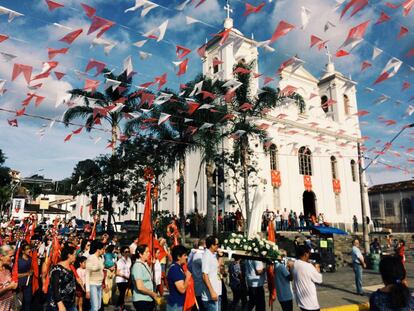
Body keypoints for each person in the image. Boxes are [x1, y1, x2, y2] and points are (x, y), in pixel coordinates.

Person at [292, 245, 322, 311]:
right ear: (305, 254)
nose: (310, 255)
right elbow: (319, 280)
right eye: (309, 253)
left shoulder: (295, 264)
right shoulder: (309, 266)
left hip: (301, 301)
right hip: (311, 304)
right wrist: (317, 268)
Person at [48, 246, 77, 311]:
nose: (76, 256)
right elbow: (55, 287)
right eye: (74, 254)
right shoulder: (57, 269)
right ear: (69, 255)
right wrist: (60, 304)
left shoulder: (70, 267)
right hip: (59, 305)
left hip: (70, 303)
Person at [131, 244, 159, 311]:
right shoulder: (138, 266)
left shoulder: (144, 264)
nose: (149, 254)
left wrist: (152, 265)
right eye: (147, 252)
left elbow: (148, 276)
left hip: (148, 299)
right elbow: (139, 287)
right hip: (142, 300)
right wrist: (152, 293)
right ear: (140, 254)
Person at [166, 245, 192, 311]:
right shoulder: (175, 269)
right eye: (185, 255)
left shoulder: (179, 267)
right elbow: (182, 289)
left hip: (179, 304)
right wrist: (188, 277)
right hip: (176, 305)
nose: (186, 257)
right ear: (178, 257)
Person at [201, 236, 221, 311]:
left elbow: (216, 270)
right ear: (212, 245)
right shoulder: (207, 256)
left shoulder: (213, 255)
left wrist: (220, 257)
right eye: (217, 244)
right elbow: (204, 275)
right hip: (210, 295)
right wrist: (212, 292)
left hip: (216, 292)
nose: (218, 246)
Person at [85, 240, 105, 311]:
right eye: (102, 249)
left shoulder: (100, 258)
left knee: (98, 307)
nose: (103, 250)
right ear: (98, 250)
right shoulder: (91, 258)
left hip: (99, 285)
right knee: (95, 308)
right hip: (92, 284)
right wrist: (87, 290)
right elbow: (87, 275)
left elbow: (101, 271)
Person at [189, 239, 205, 311]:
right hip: (198, 282)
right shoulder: (199, 255)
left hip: (196, 280)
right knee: (199, 304)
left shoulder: (195, 253)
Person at [0, 245, 17, 310]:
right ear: (1, 256)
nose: (12, 258)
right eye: (10, 256)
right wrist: (9, 287)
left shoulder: (8, 269)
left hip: (10, 304)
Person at [18, 242, 33, 311]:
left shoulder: (31, 259)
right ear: (23, 251)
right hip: (19, 285)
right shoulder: (18, 260)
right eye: (27, 249)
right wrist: (26, 274)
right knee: (19, 303)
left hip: (28, 284)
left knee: (28, 301)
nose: (29, 250)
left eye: (29, 248)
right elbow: (15, 275)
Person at [116, 246, 131, 311]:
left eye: (128, 251)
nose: (127, 253)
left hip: (127, 279)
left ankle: (118, 305)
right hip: (120, 280)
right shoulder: (120, 261)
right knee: (122, 293)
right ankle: (122, 307)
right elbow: (117, 273)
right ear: (122, 253)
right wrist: (125, 276)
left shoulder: (129, 260)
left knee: (123, 294)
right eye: (126, 252)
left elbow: (129, 269)